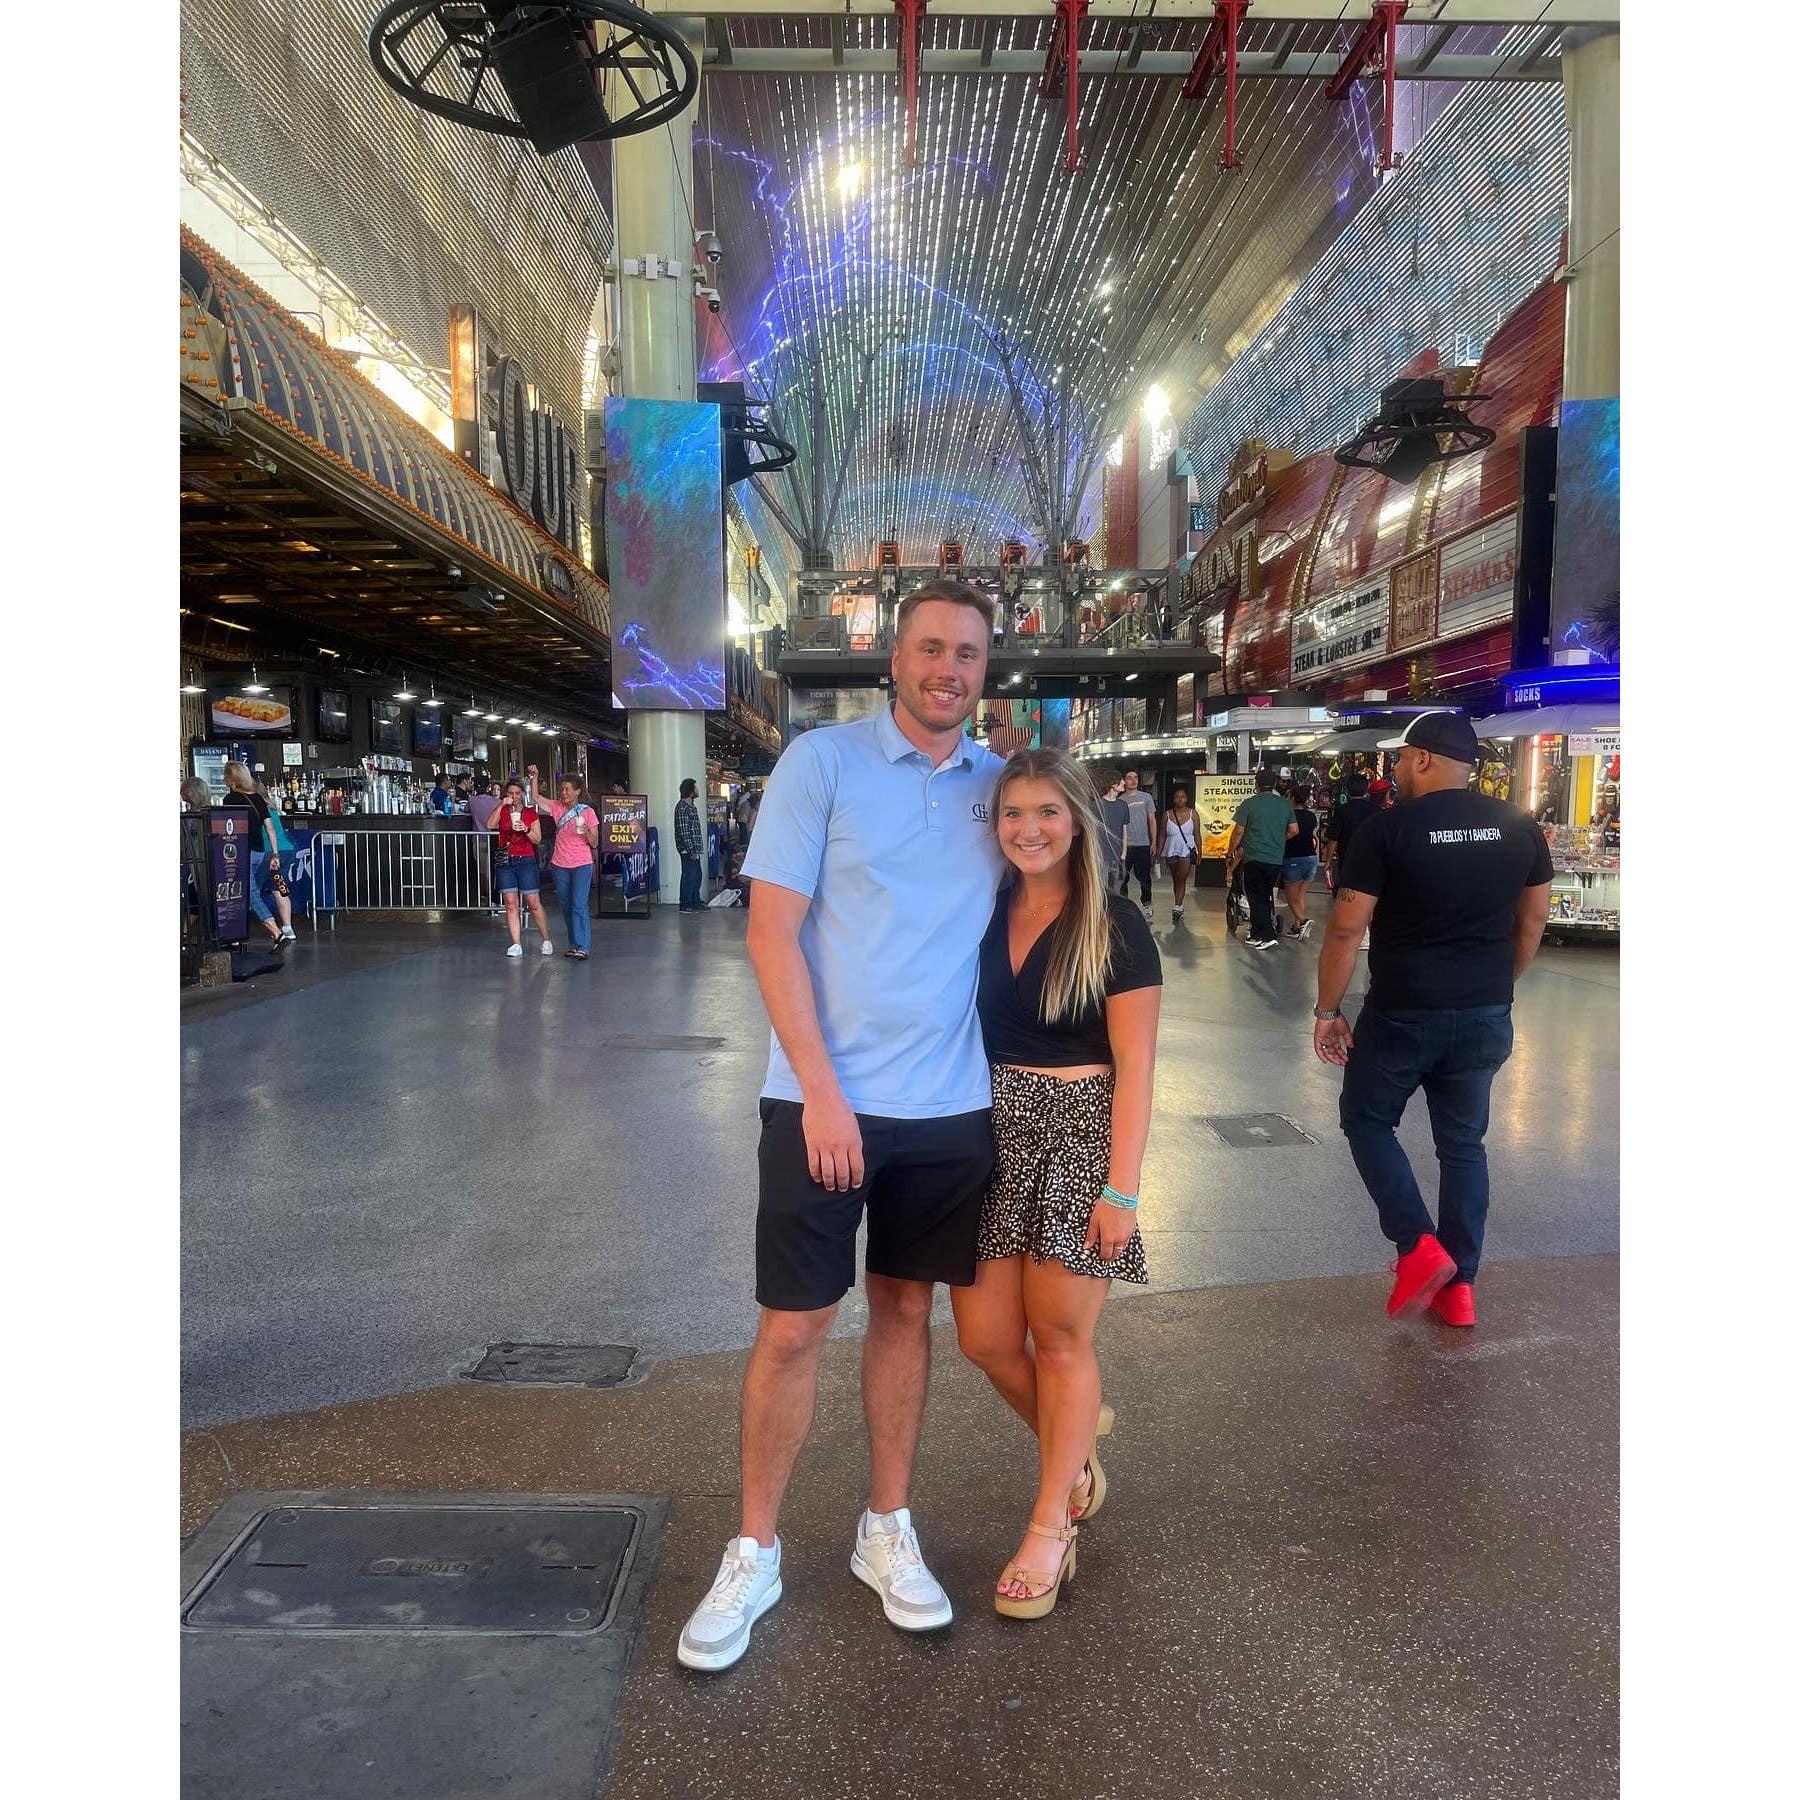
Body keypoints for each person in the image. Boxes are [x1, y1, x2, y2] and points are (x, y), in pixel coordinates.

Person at [677, 578, 1006, 1673]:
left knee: (906, 1312)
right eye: (930, 648)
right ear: (894, 658)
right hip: (823, 1100)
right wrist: (821, 1091)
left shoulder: (999, 788)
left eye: (967, 653)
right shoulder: (820, 764)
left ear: (985, 670)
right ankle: (755, 1549)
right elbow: (772, 932)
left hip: (949, 1105)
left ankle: (886, 1528)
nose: (947, 669)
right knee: (795, 1326)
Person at [957, 748, 1161, 1619]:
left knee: (1062, 1338)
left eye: (1047, 811)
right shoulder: (982, 909)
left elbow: (1137, 1067)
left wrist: (1123, 1190)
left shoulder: (1114, 922)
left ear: (1078, 821)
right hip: (989, 1134)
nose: (1029, 829)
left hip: (1080, 1133)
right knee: (984, 1339)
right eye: (1013, 813)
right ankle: (1073, 1448)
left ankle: (1051, 1526)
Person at [1312, 710, 1552, 1331]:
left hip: (1403, 1013)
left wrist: (1328, 1011)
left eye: (1399, 757)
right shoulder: (1520, 827)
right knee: (1463, 1145)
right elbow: (1532, 922)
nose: (1394, 767)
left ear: (1421, 759)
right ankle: (1461, 1287)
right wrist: (1497, 985)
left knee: (1366, 1119)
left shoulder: (1386, 829)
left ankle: (1417, 1244)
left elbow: (1346, 928)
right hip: (1484, 1014)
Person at [1225, 769, 1296, 950]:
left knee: (1256, 897)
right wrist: (1278, 839)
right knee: (1265, 895)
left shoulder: (1249, 804)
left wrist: (1230, 852)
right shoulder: (1285, 804)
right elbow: (1294, 830)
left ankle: (1267, 935)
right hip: (1275, 859)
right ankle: (1256, 934)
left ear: (1256, 784)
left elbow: (1239, 831)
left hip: (1254, 857)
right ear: (1274, 784)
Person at [223, 761, 291, 948]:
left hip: (241, 851)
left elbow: (228, 827)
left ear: (231, 778)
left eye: (226, 776)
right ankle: (236, 934)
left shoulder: (230, 799)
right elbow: (270, 829)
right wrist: (275, 854)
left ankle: (276, 933)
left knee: (249, 893)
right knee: (253, 890)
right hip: (260, 851)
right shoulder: (258, 799)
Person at [485, 776, 555, 957]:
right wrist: (501, 805)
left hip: (525, 859)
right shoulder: (502, 810)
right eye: (510, 793)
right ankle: (516, 943)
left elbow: (537, 839)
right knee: (510, 904)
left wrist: (526, 829)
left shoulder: (530, 813)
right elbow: (489, 824)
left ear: (522, 794)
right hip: (505, 859)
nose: (514, 796)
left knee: (533, 902)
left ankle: (546, 939)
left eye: (517, 793)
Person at [537, 771, 598, 960]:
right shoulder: (557, 807)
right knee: (566, 905)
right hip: (560, 864)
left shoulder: (588, 812)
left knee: (579, 904)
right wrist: (534, 777)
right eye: (562, 789)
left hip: (581, 864)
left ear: (577, 791)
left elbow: (594, 843)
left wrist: (585, 831)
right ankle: (573, 944)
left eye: (567, 789)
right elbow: (535, 798)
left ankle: (583, 946)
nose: (563, 792)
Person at [1321, 772, 1379, 895]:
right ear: (1367, 788)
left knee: (1348, 892)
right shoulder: (1376, 810)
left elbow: (1334, 838)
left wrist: (1328, 860)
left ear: (1347, 790)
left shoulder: (1342, 811)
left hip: (1347, 858)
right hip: (1371, 859)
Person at [1281, 784, 1321, 940]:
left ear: (1292, 798)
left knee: (1291, 899)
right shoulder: (1311, 816)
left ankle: (1303, 921)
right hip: (1311, 859)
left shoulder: (1287, 815)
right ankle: (1297, 928)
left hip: (1293, 859)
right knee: (1300, 896)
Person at [1118, 770, 1158, 918]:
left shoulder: (1146, 797)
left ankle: (1147, 903)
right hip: (1125, 846)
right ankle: (1124, 906)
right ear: (1124, 781)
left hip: (1143, 845)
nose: (1133, 780)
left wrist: (1153, 842)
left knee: (1144, 877)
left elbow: (1152, 820)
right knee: (1123, 878)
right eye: (1129, 778)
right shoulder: (1120, 800)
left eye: (1135, 777)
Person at [1162, 786, 1197, 924]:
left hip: (1186, 850)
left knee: (1182, 878)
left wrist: (1200, 851)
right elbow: (1162, 835)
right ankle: (1179, 906)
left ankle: (1176, 906)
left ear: (1186, 799)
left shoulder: (1193, 814)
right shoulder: (1167, 814)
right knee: (1176, 879)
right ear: (1173, 799)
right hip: (1171, 849)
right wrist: (1157, 852)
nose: (1180, 799)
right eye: (1177, 797)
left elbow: (1197, 834)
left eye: (1182, 796)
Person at [1094, 767, 1128, 895]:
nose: (1124, 782)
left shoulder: (1123, 805)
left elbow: (1125, 831)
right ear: (1113, 784)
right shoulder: (1095, 806)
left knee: (1116, 893)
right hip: (1100, 858)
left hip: (1118, 858)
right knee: (1101, 893)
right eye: (1121, 780)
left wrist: (1124, 854)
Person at [675, 778, 706, 911]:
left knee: (697, 875)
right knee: (689, 875)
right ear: (690, 791)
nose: (698, 790)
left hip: (695, 848)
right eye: (695, 787)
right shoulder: (682, 807)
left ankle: (695, 901)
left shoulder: (691, 806)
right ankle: (686, 903)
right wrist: (691, 849)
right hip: (688, 850)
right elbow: (684, 831)